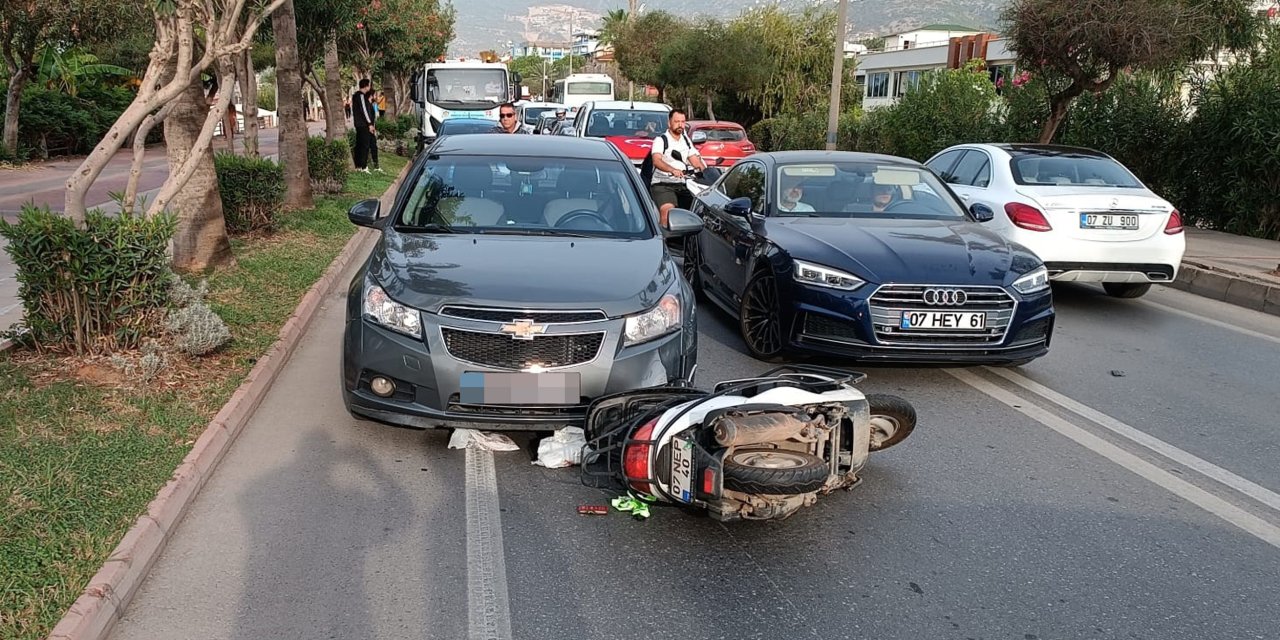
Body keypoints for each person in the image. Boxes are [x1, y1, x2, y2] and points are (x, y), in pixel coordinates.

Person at [648, 109, 707, 227]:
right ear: (669, 123)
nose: (680, 125)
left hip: (683, 184)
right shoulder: (661, 140)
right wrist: (672, 170)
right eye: (677, 121)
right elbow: (657, 160)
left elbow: (694, 160)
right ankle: (663, 241)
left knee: (698, 210)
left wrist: (707, 172)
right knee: (668, 212)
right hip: (663, 184)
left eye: (683, 122)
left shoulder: (685, 140)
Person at [351, 79, 378, 173]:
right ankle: (363, 166)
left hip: (359, 124)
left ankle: (358, 165)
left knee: (359, 144)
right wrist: (370, 124)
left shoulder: (355, 96)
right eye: (369, 85)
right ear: (366, 86)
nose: (369, 87)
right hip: (363, 124)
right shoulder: (361, 96)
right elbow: (364, 111)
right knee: (364, 145)